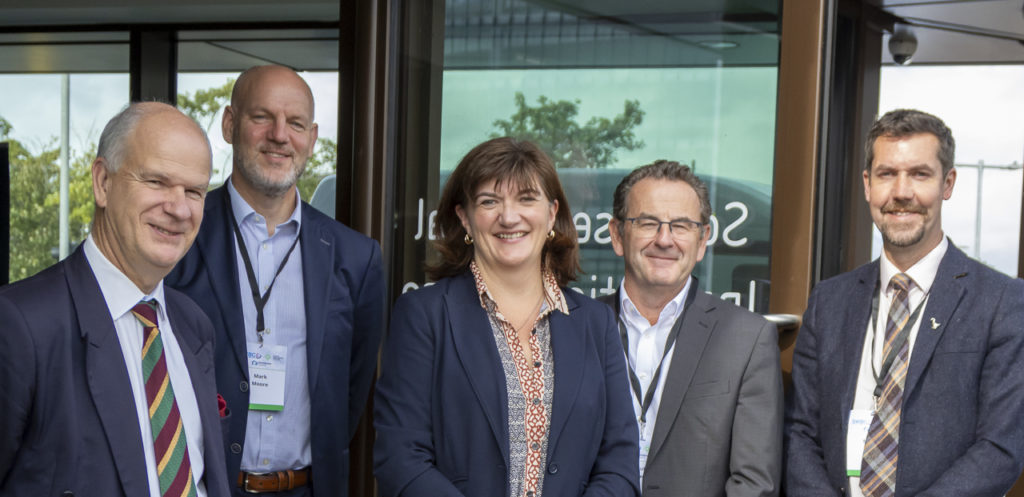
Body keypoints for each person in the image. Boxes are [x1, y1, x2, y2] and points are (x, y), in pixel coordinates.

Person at [373, 137, 639, 497]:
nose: (509, 216)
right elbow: (400, 458)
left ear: (551, 214)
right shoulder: (424, 316)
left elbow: (619, 464)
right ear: (464, 218)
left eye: (527, 198)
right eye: (489, 202)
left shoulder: (596, 324)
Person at [165, 65, 384, 496]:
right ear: (230, 124)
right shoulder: (179, 236)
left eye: (296, 123)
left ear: (313, 137)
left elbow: (350, 395)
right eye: (262, 117)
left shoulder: (356, 258)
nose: (280, 135)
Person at [785, 109, 1024, 496]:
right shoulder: (829, 301)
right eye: (886, 174)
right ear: (867, 185)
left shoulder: (1002, 302)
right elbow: (799, 432)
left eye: (919, 174)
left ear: (947, 183)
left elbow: (1000, 448)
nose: (901, 192)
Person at [0, 102, 231, 497]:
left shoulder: (193, 325)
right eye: (157, 181)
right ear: (102, 182)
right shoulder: (21, 323)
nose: (178, 208)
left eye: (194, 190)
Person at [599, 160, 783, 497]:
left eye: (681, 226)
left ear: (702, 240)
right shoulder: (578, 326)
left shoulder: (748, 339)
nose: (665, 239)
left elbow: (754, 484)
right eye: (648, 222)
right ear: (617, 235)